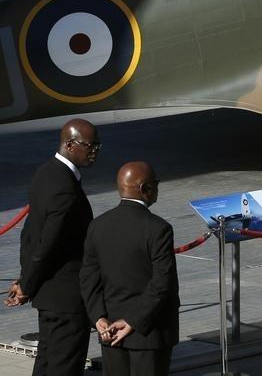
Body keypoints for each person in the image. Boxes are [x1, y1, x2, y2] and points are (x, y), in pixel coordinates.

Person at [5, 119, 101, 376]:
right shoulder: (65, 187)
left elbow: (29, 234)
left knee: (47, 362)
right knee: (64, 366)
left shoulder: (45, 173)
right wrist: (26, 285)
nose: (95, 151)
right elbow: (47, 243)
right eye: (90, 145)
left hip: (49, 295)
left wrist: (27, 279)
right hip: (66, 298)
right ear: (70, 144)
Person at [80, 161, 180, 376]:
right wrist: (132, 321)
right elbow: (162, 283)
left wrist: (98, 317)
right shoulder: (158, 229)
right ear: (145, 188)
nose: (158, 189)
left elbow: (88, 277)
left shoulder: (98, 225)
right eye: (156, 183)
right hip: (150, 333)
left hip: (110, 332)